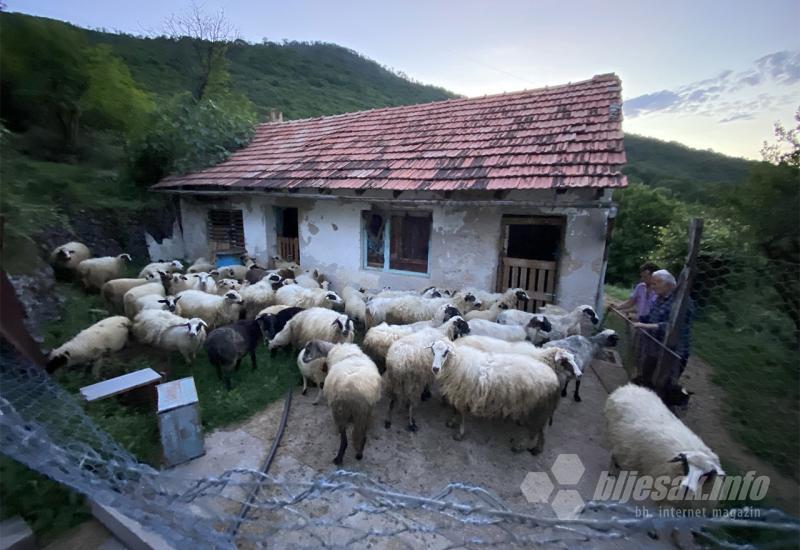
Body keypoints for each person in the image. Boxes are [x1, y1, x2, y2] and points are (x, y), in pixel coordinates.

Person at [632, 269, 694, 384]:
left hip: (672, 352)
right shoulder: (659, 298)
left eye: (655, 283)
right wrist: (638, 319)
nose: (652, 286)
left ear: (668, 284)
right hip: (655, 348)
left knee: (663, 384)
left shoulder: (682, 302)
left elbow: (674, 327)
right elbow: (652, 317)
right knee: (646, 378)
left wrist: (645, 325)